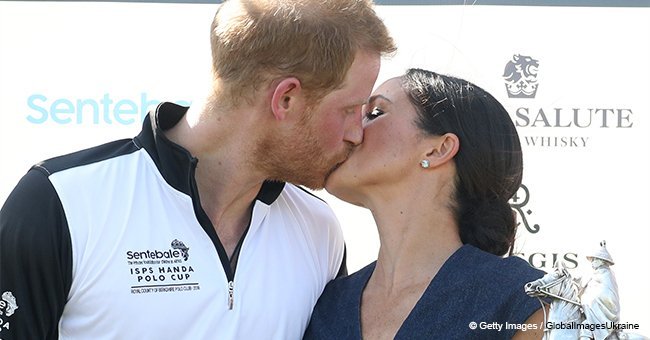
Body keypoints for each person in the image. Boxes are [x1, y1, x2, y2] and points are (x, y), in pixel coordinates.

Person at [0, 0, 395, 338]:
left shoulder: (318, 227)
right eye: (349, 110)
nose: (357, 133)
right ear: (286, 99)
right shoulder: (62, 202)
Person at [304, 68, 547, 339]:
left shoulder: (522, 299)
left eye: (375, 113)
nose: (350, 129)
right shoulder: (326, 305)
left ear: (438, 150)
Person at [580, 241, 620, 340]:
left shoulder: (607, 275)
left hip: (602, 311)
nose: (592, 262)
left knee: (586, 327)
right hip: (590, 309)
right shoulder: (594, 274)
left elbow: (607, 294)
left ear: (601, 260)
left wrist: (588, 301)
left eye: (594, 260)